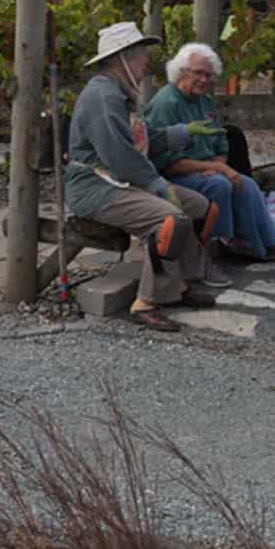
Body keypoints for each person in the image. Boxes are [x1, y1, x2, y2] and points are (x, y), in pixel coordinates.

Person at [66, 22, 227, 333]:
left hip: (116, 182)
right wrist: (158, 185)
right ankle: (147, 302)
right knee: (171, 220)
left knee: (204, 208)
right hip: (95, 189)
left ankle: (178, 284)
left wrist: (183, 132)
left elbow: (144, 138)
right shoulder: (103, 98)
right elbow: (121, 158)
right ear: (122, 58)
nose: (146, 63)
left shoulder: (115, 92)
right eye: (141, 56)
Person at [144, 43, 275, 287]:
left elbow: (221, 141)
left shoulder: (205, 101)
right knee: (220, 185)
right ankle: (206, 258)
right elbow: (165, 163)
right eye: (198, 73)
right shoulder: (166, 103)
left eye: (208, 74)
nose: (203, 79)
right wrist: (216, 169)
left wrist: (219, 162)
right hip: (174, 176)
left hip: (205, 171)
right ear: (181, 71)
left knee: (246, 185)